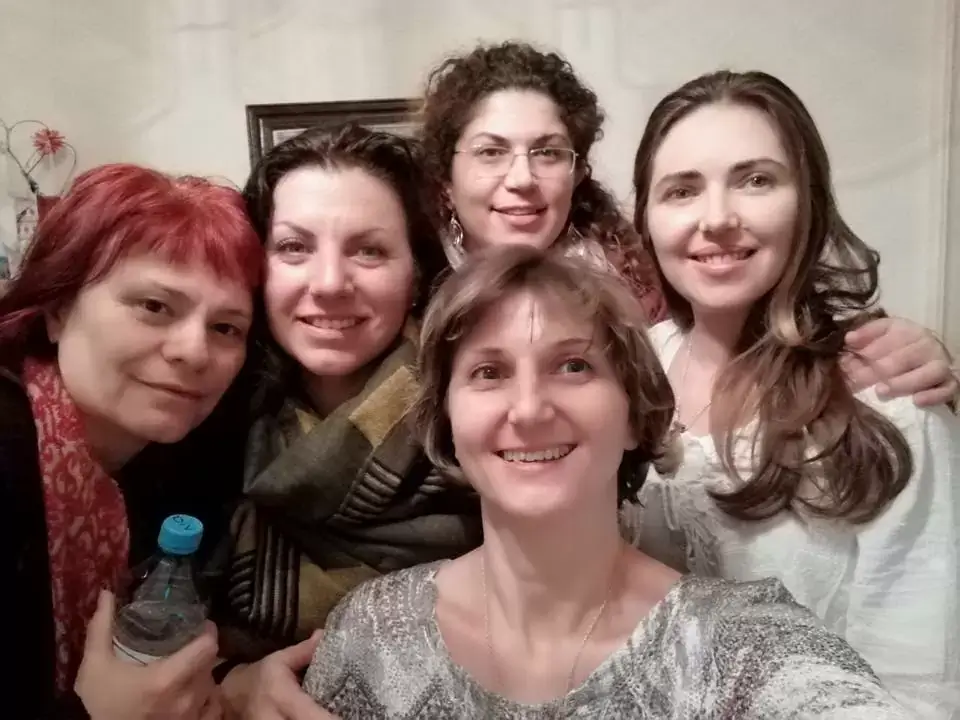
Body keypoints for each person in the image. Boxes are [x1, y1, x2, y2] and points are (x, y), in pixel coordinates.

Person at [302, 245, 911, 719]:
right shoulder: (373, 636)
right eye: (489, 372)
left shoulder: (740, 647)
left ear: (633, 414)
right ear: (447, 422)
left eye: (573, 366)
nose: (529, 408)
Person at [626, 69, 959, 717]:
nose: (717, 219)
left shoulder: (885, 398)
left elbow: (920, 684)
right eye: (682, 190)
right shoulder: (630, 368)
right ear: (647, 217)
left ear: (807, 201)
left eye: (756, 180)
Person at [418, 40, 959, 408]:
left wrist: (919, 360)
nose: (522, 179)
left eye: (548, 152)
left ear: (578, 172)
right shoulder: (406, 288)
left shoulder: (644, 281)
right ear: (446, 177)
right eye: (490, 152)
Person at [216, 124, 481, 716]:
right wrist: (232, 683)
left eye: (369, 250)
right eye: (294, 248)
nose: (330, 283)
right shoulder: (210, 419)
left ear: (416, 275)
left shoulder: (479, 419)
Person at [2, 163, 262, 718]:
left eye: (226, 328)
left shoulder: (175, 466)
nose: (194, 352)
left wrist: (231, 681)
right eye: (154, 307)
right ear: (58, 309)